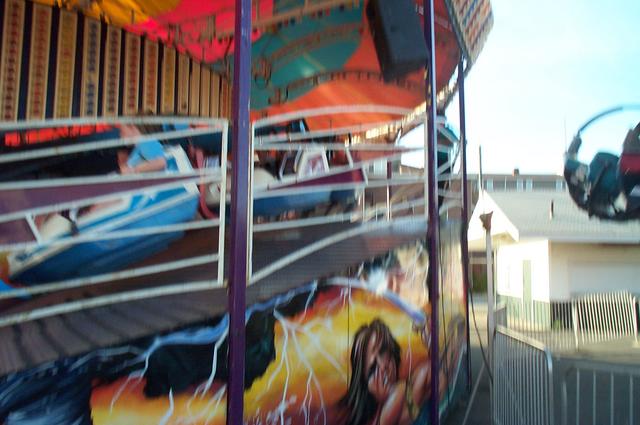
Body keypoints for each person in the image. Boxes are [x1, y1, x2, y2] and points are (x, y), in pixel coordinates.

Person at [340, 318, 431, 425]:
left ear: (393, 351)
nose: (383, 366)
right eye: (373, 368)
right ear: (365, 383)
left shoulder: (415, 381)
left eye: (383, 352)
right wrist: (388, 398)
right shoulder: (377, 417)